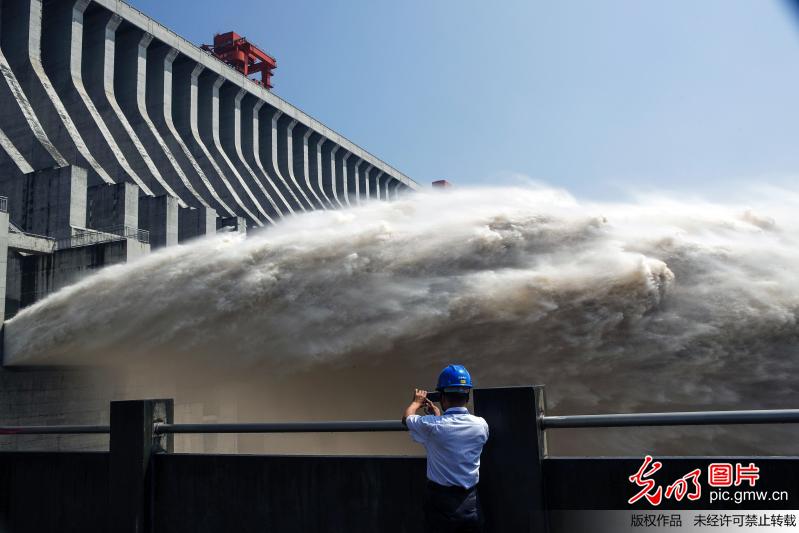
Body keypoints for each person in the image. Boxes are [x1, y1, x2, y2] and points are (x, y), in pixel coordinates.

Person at [402, 364, 489, 533]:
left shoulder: (432, 427)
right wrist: (438, 417)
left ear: (442, 397)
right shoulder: (481, 425)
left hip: (440, 504)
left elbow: (407, 419)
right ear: (467, 396)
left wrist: (416, 402)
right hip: (471, 502)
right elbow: (453, 432)